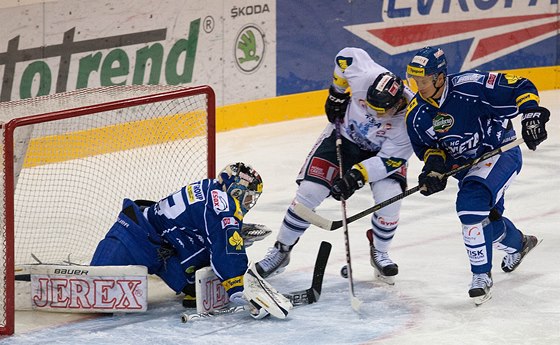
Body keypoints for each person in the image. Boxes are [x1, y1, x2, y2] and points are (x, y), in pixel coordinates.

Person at [256, 47, 414, 285]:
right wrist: (337, 93)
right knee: (309, 193)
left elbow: (388, 161)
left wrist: (355, 177)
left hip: (381, 154)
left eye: (379, 112)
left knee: (390, 198)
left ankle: (379, 251)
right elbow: (345, 56)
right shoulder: (366, 74)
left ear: (397, 104)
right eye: (368, 105)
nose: (371, 113)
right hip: (344, 138)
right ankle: (282, 249)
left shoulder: (411, 118)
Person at [405, 46, 549, 304]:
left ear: (439, 77)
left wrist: (530, 116)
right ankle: (520, 244)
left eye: (423, 80)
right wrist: (434, 170)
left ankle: (481, 277)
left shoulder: (471, 86)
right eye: (413, 80)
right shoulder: (416, 115)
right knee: (488, 223)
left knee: (470, 207)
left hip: (500, 153)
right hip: (469, 169)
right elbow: (430, 149)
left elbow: (521, 85)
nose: (418, 86)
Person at [90, 162, 291, 319]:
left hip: (166, 251)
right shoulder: (222, 206)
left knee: (197, 287)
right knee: (94, 293)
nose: (249, 203)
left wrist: (232, 236)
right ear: (236, 190)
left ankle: (189, 282)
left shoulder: (210, 188)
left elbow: (204, 227)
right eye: (248, 197)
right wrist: (242, 290)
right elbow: (227, 251)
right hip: (133, 236)